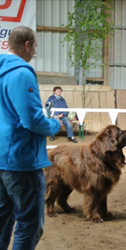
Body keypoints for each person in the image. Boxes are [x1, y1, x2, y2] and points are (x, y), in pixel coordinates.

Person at [0, 26, 61, 250]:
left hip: (2, 158)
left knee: (4, 221)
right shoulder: (23, 72)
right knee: (29, 223)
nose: (35, 51)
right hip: (22, 160)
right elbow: (32, 120)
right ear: (27, 45)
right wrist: (54, 125)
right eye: (35, 46)